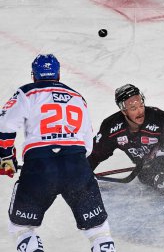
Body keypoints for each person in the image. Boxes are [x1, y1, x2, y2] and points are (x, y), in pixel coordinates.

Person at [0, 54, 116, 252]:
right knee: (98, 229)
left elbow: (5, 125)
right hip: (77, 166)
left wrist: (6, 157)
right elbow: (87, 144)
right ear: (58, 74)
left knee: (21, 226)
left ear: (33, 75)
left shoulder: (27, 92)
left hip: (39, 167)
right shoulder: (78, 97)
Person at [87, 83, 164, 203]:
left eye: (141, 105)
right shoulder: (111, 128)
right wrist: (82, 174)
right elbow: (95, 155)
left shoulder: (162, 119)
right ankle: (163, 180)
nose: (139, 111)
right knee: (144, 173)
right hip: (148, 166)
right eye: (133, 108)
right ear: (123, 110)